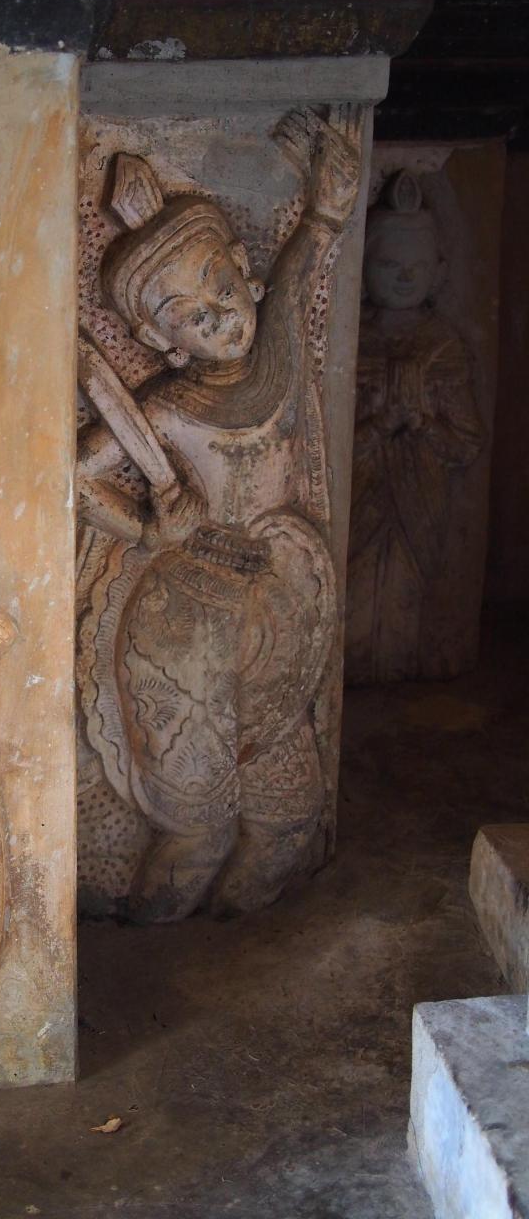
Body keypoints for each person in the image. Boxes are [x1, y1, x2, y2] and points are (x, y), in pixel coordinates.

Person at [76, 108, 361, 921]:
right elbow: (73, 481)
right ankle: (162, 939)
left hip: (279, 615)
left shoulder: (279, 361)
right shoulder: (165, 411)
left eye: (223, 290)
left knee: (287, 816)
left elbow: (300, 278)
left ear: (246, 273)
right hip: (184, 632)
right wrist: (148, 529)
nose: (217, 317)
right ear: (159, 340)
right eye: (188, 315)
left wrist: (326, 213)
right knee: (195, 829)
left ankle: (240, 942)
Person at [346, 170, 483, 683]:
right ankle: (353, 672)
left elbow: (466, 442)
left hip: (419, 501)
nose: (404, 277)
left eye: (417, 267)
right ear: (362, 270)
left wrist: (422, 423)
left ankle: (402, 671)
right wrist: (379, 425)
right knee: (353, 589)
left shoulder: (443, 348)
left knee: (404, 596)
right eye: (388, 264)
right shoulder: (349, 341)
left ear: (439, 272)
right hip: (358, 496)